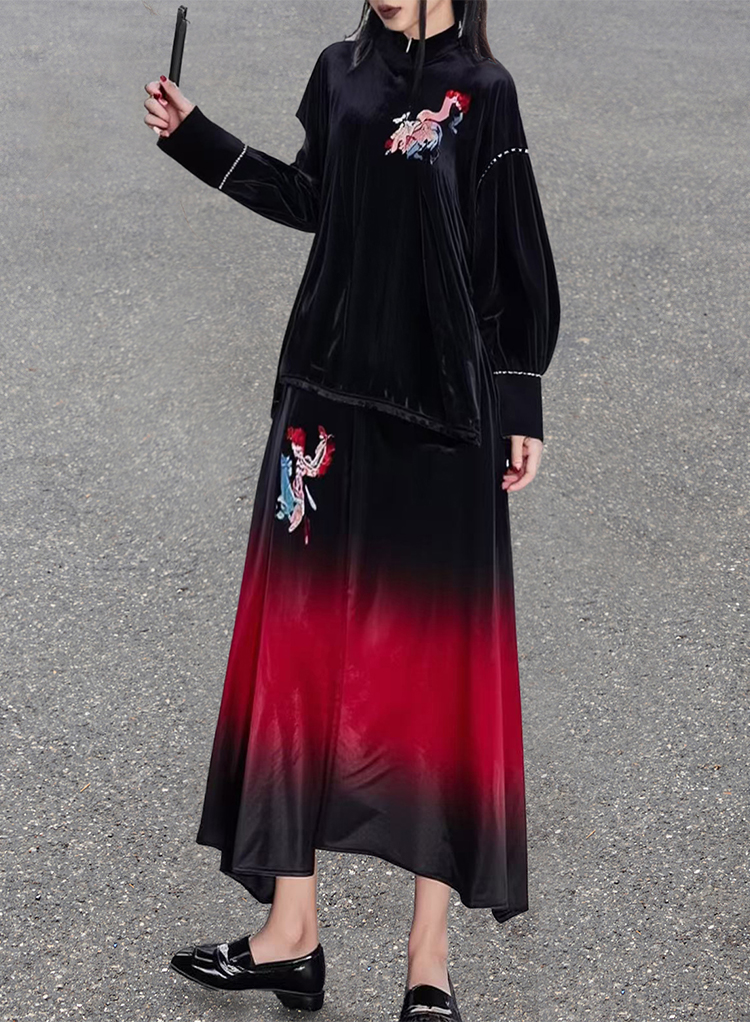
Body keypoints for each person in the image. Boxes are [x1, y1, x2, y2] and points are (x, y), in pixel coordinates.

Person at [143, 0, 559, 1017]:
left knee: (434, 667)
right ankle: (291, 933)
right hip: (325, 402)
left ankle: (428, 960)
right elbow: (310, 196)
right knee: (297, 649)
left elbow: (510, 253)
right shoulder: (340, 69)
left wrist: (519, 399)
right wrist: (196, 137)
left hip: (442, 417)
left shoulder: (484, 93)